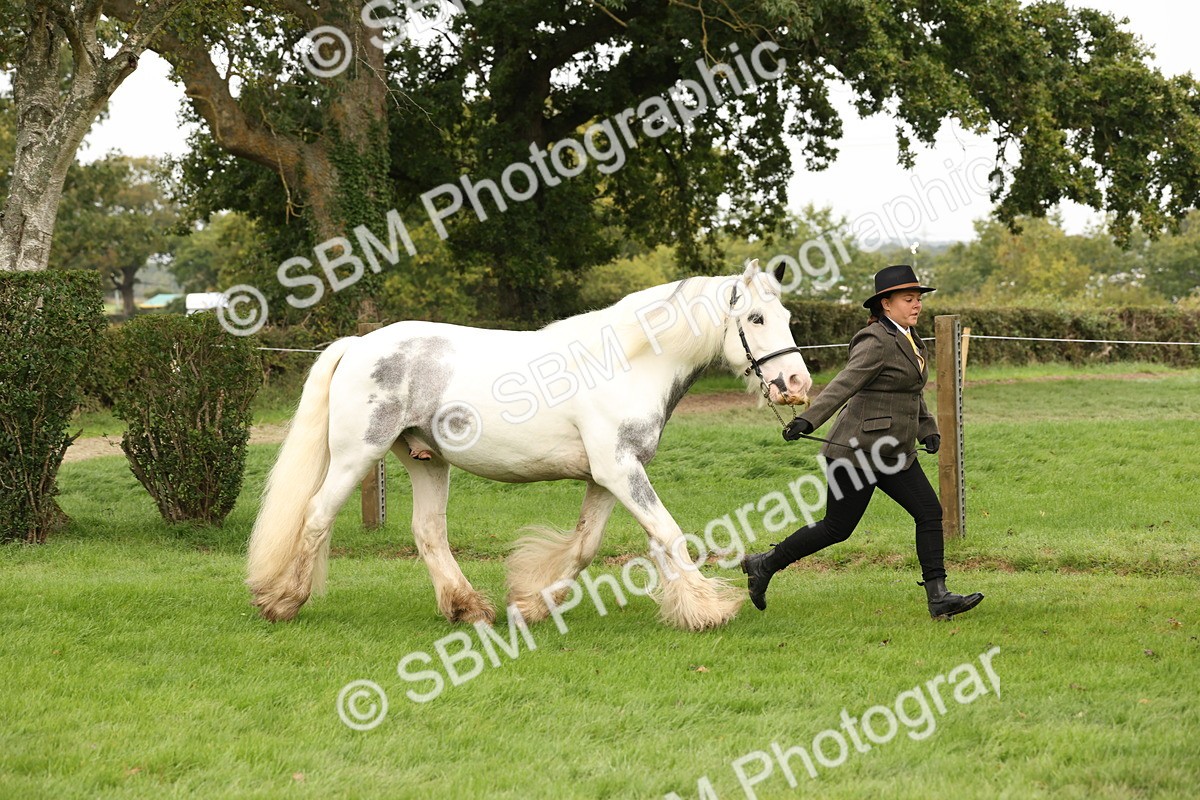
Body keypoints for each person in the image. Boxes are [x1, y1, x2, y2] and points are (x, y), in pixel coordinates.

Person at [740, 264, 984, 620]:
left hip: (895, 452)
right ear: (886, 303)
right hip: (855, 453)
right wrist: (808, 419)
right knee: (836, 528)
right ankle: (765, 564)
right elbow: (845, 383)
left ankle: (939, 597)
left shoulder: (910, 338)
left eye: (918, 299)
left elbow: (910, 392)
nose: (916, 305)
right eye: (908, 299)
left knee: (929, 512)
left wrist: (926, 429)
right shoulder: (875, 340)